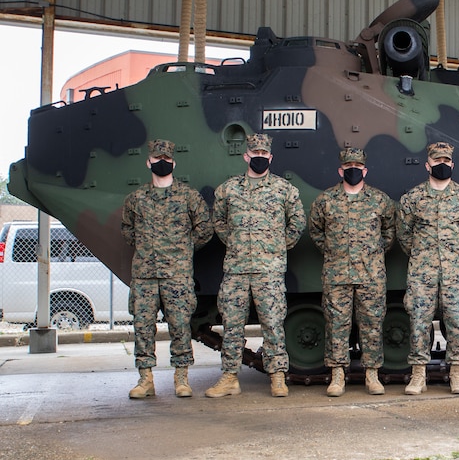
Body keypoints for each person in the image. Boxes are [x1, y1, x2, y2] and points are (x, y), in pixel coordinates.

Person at [205, 133, 306, 398]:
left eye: (264, 155)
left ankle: (277, 377)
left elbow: (297, 224)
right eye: (255, 154)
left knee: (273, 324)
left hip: (269, 270)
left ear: (270, 157)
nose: (259, 158)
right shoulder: (228, 190)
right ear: (246, 156)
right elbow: (219, 223)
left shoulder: (285, 190)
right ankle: (229, 378)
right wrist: (237, 244)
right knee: (232, 325)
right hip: (236, 270)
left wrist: (274, 248)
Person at [121, 139, 213, 399]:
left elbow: (204, 229)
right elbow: (127, 230)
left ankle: (181, 378)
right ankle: (145, 379)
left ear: (173, 162)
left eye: (167, 159)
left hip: (177, 275)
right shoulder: (136, 199)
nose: (162, 163)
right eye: (157, 159)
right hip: (145, 276)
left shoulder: (188, 196)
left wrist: (182, 250)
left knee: (180, 326)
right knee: (143, 327)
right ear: (149, 162)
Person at [308, 147, 396, 396]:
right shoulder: (326, 200)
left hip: (371, 275)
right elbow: (316, 232)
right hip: (337, 275)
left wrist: (373, 253)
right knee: (336, 325)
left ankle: (372, 375)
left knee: (372, 324)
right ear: (341, 170)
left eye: (358, 168)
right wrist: (335, 253)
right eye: (349, 168)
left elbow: (389, 232)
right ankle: (337, 376)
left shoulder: (379, 200)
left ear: (365, 171)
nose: (353, 171)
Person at [397, 141, 459, 395]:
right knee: (419, 323)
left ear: (452, 165)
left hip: (455, 274)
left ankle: (456, 374)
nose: (442, 166)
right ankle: (418, 376)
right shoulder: (412, 198)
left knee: (456, 322)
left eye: (446, 162)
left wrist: (456, 257)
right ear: (428, 165)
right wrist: (423, 257)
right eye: (437, 162)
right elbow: (404, 235)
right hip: (422, 274)